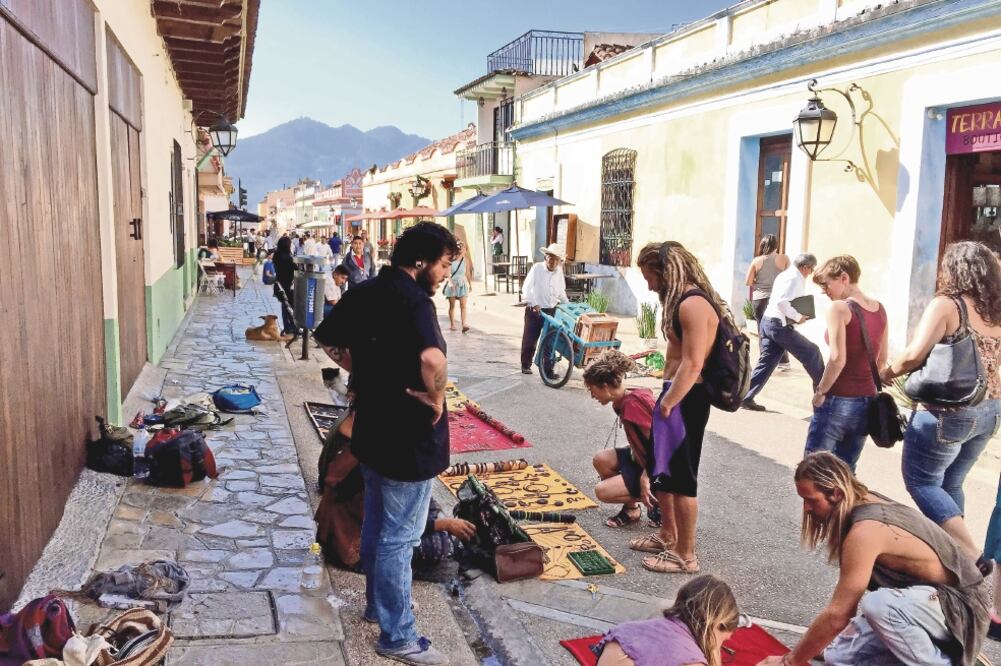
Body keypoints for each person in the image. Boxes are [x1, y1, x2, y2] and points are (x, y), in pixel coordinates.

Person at [313, 221, 458, 666]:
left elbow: (327, 337)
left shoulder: (365, 290)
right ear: (421, 261)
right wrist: (437, 395)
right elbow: (432, 357)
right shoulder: (414, 302)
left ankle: (379, 607)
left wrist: (363, 369)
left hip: (373, 429)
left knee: (378, 523)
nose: (446, 273)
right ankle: (398, 636)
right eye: (445, 263)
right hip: (407, 436)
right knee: (400, 537)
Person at [758, 452, 989, 666]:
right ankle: (937, 652)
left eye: (811, 500)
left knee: (879, 605)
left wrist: (789, 661)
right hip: (924, 604)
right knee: (837, 657)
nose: (807, 509)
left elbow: (839, 614)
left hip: (962, 608)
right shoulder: (857, 500)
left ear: (836, 494)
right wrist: (809, 648)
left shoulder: (865, 531)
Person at [880, 241, 1001, 565]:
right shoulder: (995, 308)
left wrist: (886, 373)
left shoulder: (948, 305)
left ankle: (970, 557)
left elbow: (913, 355)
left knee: (921, 481)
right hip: (989, 411)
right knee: (951, 483)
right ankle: (953, 555)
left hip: (948, 411)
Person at [631, 241, 722, 575]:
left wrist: (669, 403)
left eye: (650, 277)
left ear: (665, 271)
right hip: (675, 395)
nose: (650, 285)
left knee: (683, 480)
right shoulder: (682, 301)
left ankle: (686, 555)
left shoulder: (693, 303)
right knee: (665, 474)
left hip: (686, 399)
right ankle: (668, 535)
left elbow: (694, 362)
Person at [314, 409, 475, 574]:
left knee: (424, 500)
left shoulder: (366, 424)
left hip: (349, 518)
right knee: (439, 546)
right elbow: (391, 520)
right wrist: (445, 524)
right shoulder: (380, 449)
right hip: (348, 541)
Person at [804, 255, 887, 471]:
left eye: (826, 284)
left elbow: (837, 359)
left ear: (843, 278)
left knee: (814, 470)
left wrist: (821, 391)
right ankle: (845, 506)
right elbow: (882, 360)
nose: (824, 291)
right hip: (867, 400)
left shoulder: (839, 309)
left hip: (838, 398)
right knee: (845, 470)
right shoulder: (879, 309)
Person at [584, 350, 662, 530]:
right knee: (601, 459)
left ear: (605, 386)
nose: (592, 395)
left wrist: (646, 476)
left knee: (602, 491)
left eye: (592, 389)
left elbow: (660, 444)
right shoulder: (623, 399)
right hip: (643, 457)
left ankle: (662, 502)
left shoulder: (633, 405)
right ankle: (631, 510)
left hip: (661, 466)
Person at [595, 574, 746, 666]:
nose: (719, 648)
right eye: (723, 641)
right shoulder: (691, 659)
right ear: (716, 625)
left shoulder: (625, 630)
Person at [741, 253, 824, 411]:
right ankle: (824, 397)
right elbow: (782, 302)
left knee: (767, 362)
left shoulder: (786, 275)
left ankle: (745, 397)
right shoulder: (794, 278)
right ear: (805, 267)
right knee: (812, 352)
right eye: (811, 270)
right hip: (778, 325)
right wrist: (798, 316)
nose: (810, 273)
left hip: (769, 322)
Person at [520, 244, 569, 374]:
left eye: (556, 259)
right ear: (546, 257)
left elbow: (561, 292)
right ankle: (526, 365)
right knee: (530, 339)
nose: (553, 262)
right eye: (551, 258)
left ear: (559, 261)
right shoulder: (537, 268)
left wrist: (568, 305)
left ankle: (548, 369)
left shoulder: (559, 271)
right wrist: (534, 303)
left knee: (550, 341)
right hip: (535, 309)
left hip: (551, 310)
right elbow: (526, 288)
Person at [745, 234, 791, 370]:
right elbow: (789, 279)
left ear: (762, 245)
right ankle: (784, 362)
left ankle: (766, 363)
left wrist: (760, 281)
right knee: (780, 329)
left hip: (760, 300)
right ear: (776, 245)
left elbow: (748, 282)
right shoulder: (784, 259)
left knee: (762, 331)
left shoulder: (756, 261)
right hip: (778, 300)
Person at [443, 241, 473, 332]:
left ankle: (464, 324)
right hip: (452, 283)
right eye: (460, 247)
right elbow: (447, 273)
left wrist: (470, 284)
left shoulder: (466, 259)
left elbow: (467, 273)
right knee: (452, 306)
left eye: (463, 248)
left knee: (463, 305)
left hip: (462, 283)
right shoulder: (451, 259)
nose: (462, 249)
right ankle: (452, 324)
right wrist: (451, 283)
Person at [272, 236, 296, 337]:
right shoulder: (286, 258)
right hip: (286, 286)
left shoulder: (277, 255)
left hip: (279, 285)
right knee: (289, 306)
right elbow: (292, 269)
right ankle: (290, 327)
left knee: (285, 306)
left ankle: (288, 327)